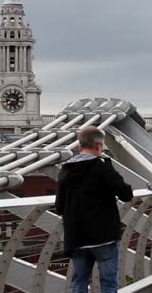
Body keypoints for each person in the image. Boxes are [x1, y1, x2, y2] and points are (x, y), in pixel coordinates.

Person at [56, 126, 133, 293]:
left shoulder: (65, 171)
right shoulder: (102, 167)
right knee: (109, 284)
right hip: (103, 237)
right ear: (99, 146)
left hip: (77, 237)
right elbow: (126, 194)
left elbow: (59, 207)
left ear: (79, 147)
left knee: (78, 284)